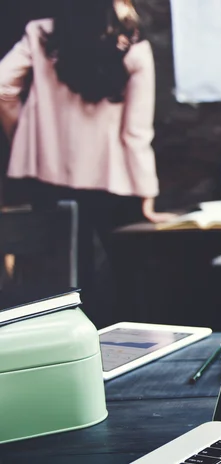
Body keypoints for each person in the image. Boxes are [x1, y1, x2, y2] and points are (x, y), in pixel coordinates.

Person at [0, 0, 175, 325]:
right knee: (124, 281)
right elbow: (136, 133)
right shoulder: (134, 47)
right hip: (112, 183)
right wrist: (147, 196)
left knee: (58, 283)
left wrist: (25, 139)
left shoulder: (40, 34)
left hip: (46, 178)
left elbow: (3, 87)